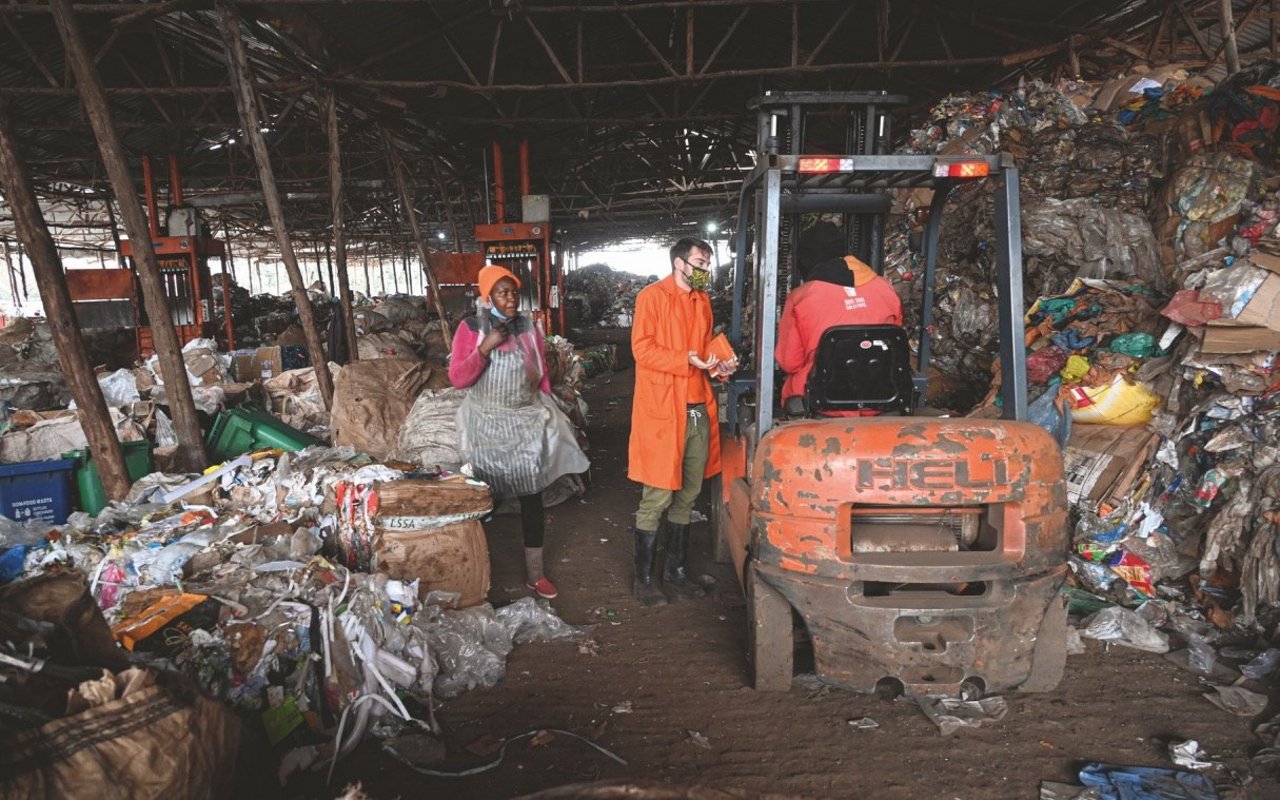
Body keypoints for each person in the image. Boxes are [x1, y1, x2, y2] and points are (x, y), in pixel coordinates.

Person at [449, 264, 589, 600]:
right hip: (486, 425)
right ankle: (477, 573)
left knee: (531, 499)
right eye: (502, 292)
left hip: (524, 424)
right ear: (488, 296)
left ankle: (536, 575)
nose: (510, 298)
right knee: (486, 500)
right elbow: (458, 379)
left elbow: (539, 368)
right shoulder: (471, 328)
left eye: (512, 291)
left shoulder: (528, 327)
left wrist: (544, 402)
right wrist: (485, 348)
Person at [628, 237, 734, 607]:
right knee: (657, 494)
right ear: (679, 263)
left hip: (695, 410)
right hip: (663, 410)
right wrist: (687, 358)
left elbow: (704, 348)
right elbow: (641, 349)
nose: (705, 268)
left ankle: (675, 571)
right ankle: (644, 580)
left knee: (688, 492)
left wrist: (721, 364)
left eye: (707, 262)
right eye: (700, 262)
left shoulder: (701, 300)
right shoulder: (652, 297)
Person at [776, 221, 903, 410]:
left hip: (823, 401)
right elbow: (896, 345)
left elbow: (789, 363)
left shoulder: (801, 297)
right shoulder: (885, 288)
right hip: (882, 398)